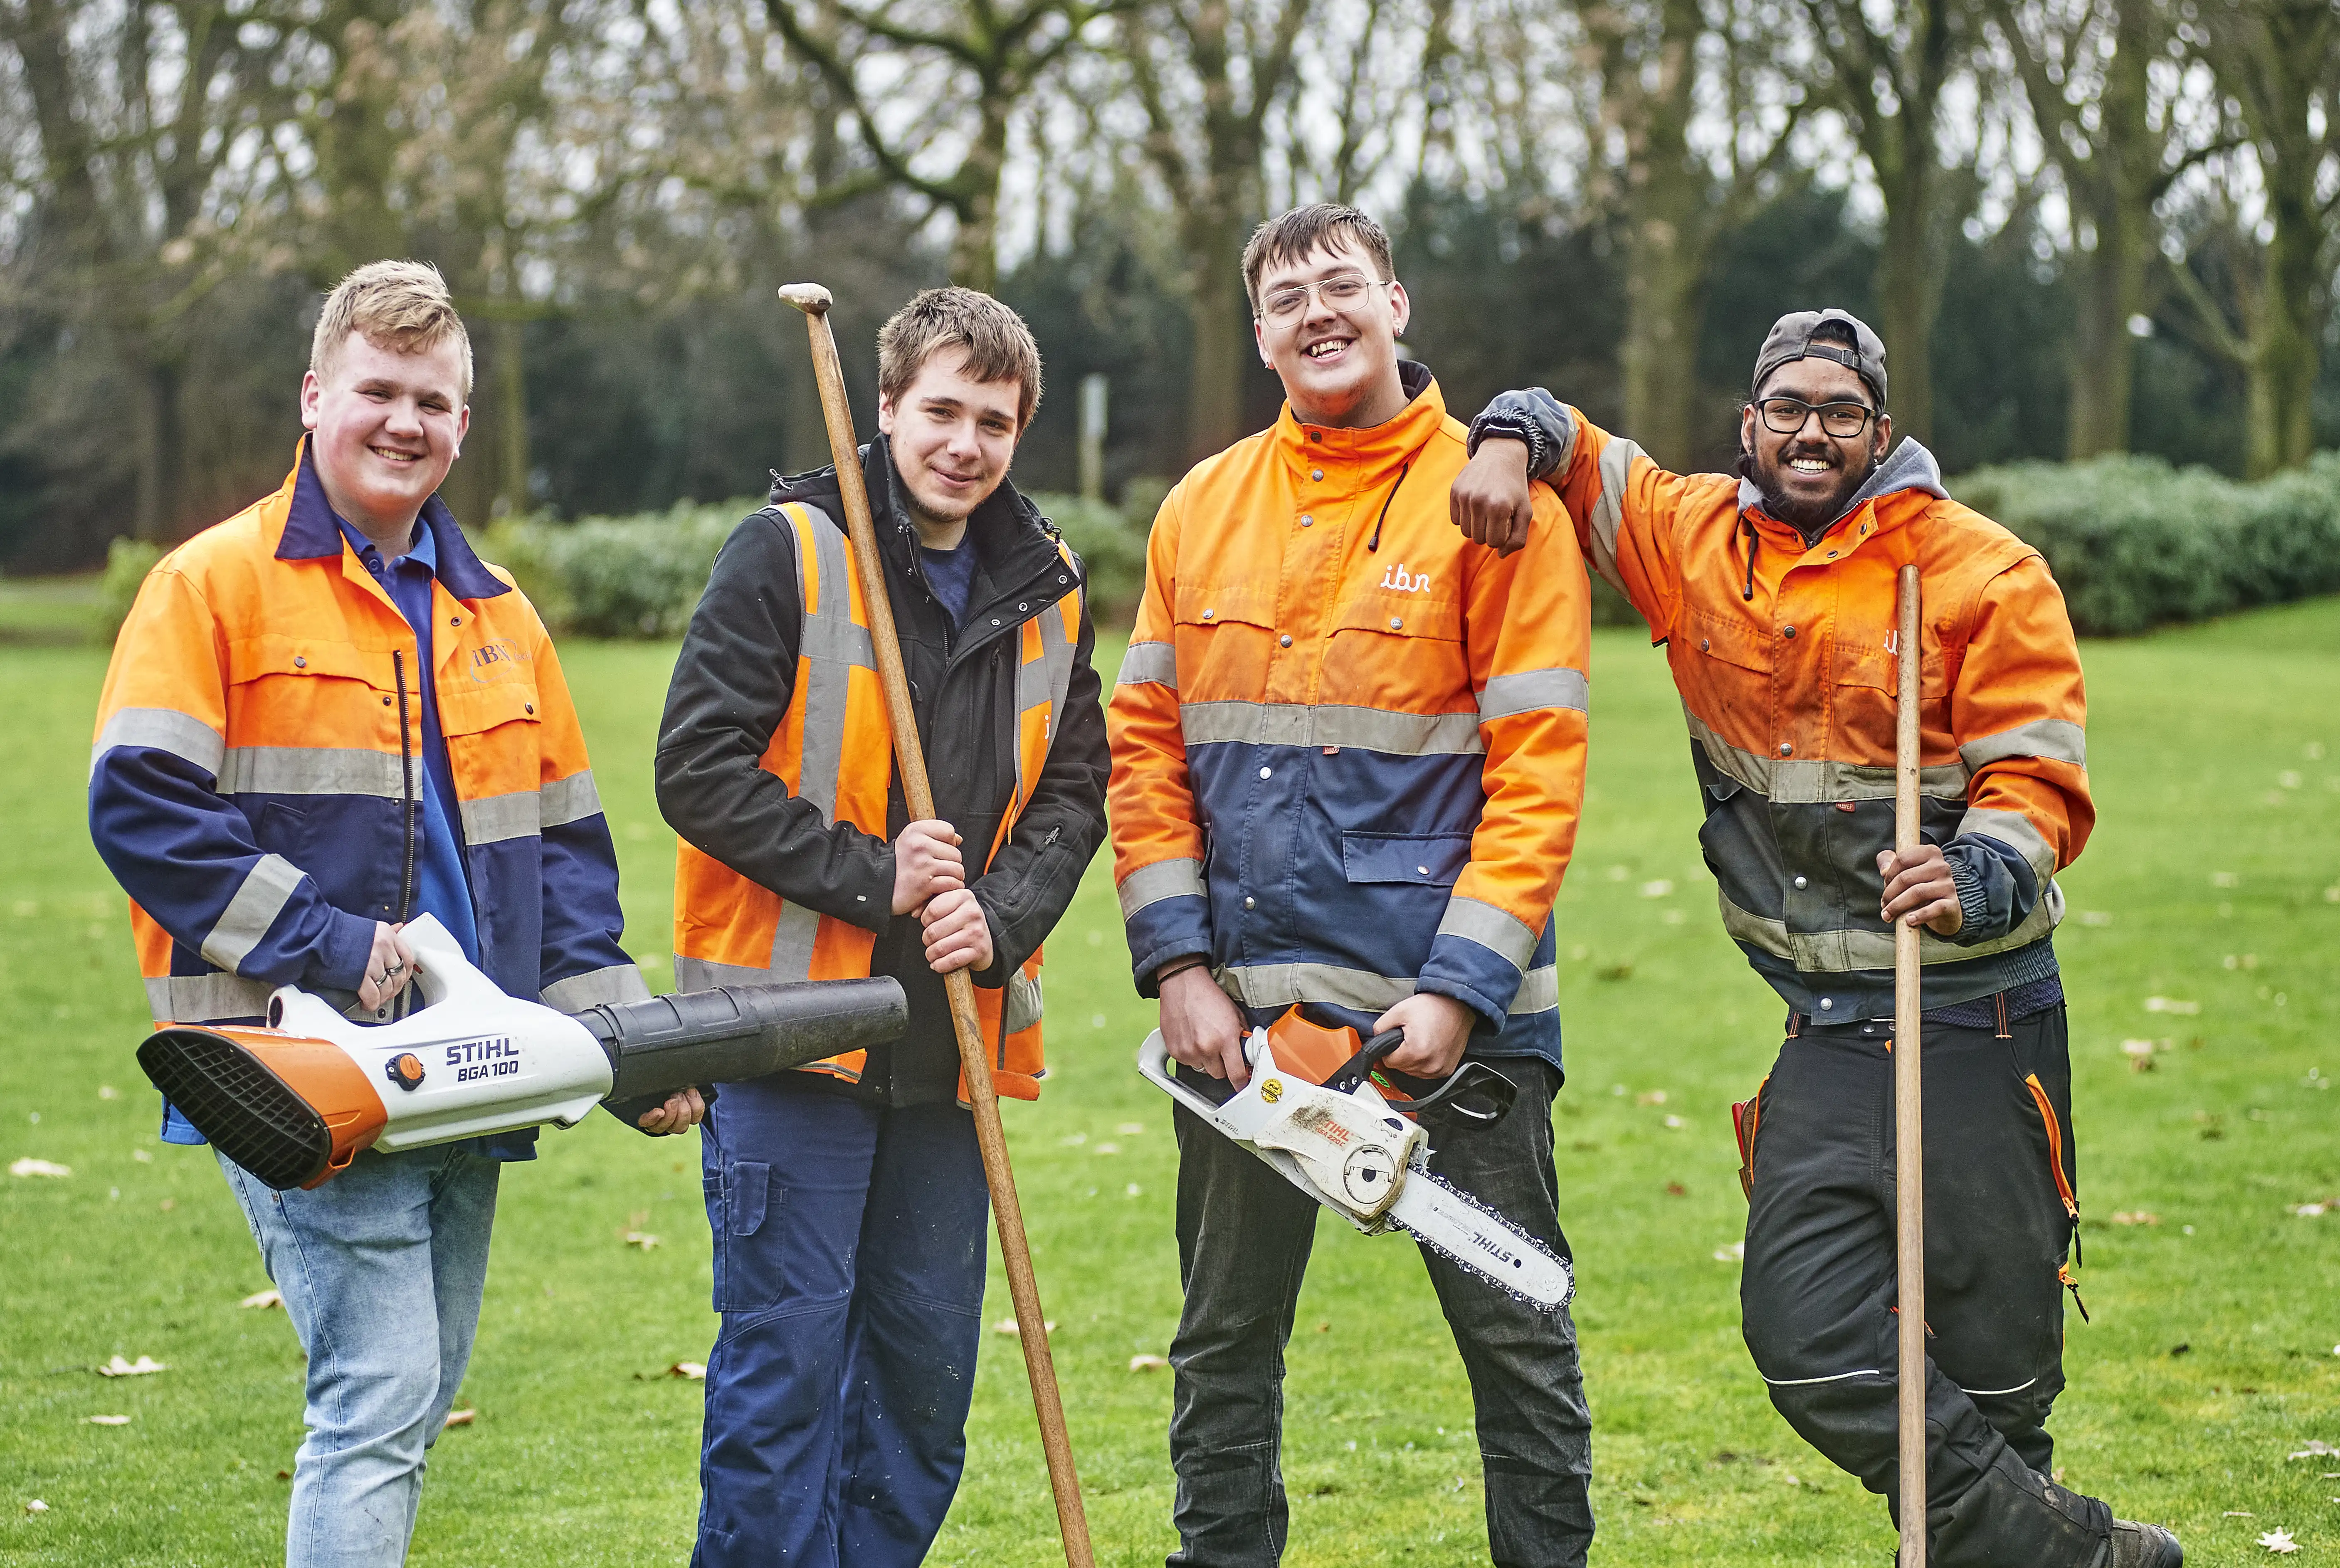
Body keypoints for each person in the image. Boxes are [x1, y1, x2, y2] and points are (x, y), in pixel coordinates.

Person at [1446, 310, 2180, 1567]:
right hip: (1828, 1026)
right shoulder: (1688, 536)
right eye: (1787, 407)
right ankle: (2086, 1556)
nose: (1811, 432)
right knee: (1808, 1341)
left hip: (1975, 1013)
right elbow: (1569, 438)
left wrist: (1977, 871)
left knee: (1997, 1376)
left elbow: (2038, 778)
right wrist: (1505, 443)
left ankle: (2013, 1540)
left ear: (1880, 433)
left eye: (1841, 412)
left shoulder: (1981, 572)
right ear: (1748, 423)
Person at [88, 260, 697, 1568]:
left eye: (431, 401)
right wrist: (323, 942)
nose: (403, 422)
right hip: (293, 1060)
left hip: (471, 1062)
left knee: (413, 1399)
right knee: (380, 1395)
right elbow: (141, 804)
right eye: (378, 391)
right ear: (315, 396)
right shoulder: (212, 585)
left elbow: (565, 860)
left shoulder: (500, 612)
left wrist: (624, 1047)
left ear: (464, 423)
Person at [1107, 203, 1597, 1568]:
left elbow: (1539, 767)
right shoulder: (1201, 507)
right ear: (1260, 335)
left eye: (1340, 284)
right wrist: (1178, 968)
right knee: (1222, 1350)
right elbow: (1142, 753)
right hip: (1243, 1021)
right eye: (1285, 297)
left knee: (1517, 1346)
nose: (1316, 311)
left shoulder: (1492, 502)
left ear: (1396, 303)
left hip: (1451, 1031)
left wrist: (1459, 992)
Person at [657, 285, 1110, 1568]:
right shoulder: (791, 550)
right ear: (889, 403)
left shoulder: (1049, 584)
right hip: (790, 1040)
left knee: (921, 1394)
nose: (964, 445)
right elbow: (696, 770)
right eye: (942, 413)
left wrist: (998, 919)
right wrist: (875, 875)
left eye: (994, 422)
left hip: (947, 1051)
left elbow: (1075, 793)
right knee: (784, 1384)